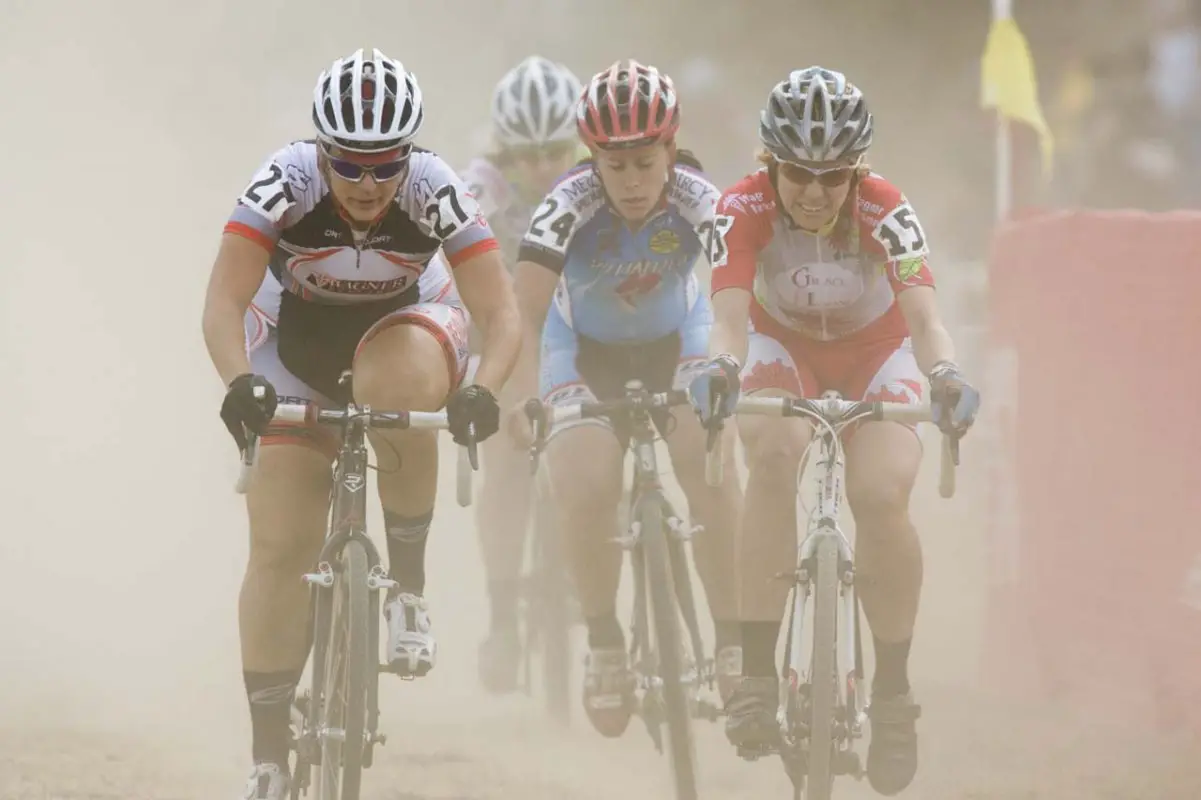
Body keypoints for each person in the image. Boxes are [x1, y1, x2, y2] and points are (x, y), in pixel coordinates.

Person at [201, 48, 522, 800]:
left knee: (397, 380)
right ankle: (270, 756)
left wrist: (485, 388)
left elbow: (499, 310)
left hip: (405, 331)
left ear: (409, 155)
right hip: (293, 343)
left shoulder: (435, 190)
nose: (370, 183)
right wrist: (240, 384)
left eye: (387, 165)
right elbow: (221, 304)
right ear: (322, 152)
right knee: (280, 546)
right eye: (351, 166)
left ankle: (406, 589)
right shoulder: (283, 182)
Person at [687, 67, 980, 795]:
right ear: (769, 164)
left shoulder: (887, 209)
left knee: (880, 493)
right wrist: (722, 368)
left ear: (858, 171)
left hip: (874, 354)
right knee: (774, 450)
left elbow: (924, 321)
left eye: (833, 176)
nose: (814, 192)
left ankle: (892, 696)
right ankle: (756, 672)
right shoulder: (739, 205)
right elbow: (726, 320)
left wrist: (944, 375)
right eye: (797, 173)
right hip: (777, 349)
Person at [507, 59, 743, 738]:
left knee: (709, 464)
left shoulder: (701, 199)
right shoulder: (565, 204)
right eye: (616, 167)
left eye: (646, 162)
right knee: (584, 482)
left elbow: (733, 296)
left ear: (670, 149)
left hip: (681, 340)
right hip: (581, 350)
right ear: (593, 161)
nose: (634, 181)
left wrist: (729, 368)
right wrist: (521, 397)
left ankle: (731, 639)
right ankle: (606, 642)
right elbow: (521, 314)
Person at [466, 55, 589, 694]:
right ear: (502, 151)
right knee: (509, 459)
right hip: (510, 326)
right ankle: (502, 616)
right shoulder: (483, 188)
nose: (542, 168)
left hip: (581, 326)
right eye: (527, 154)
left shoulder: (599, 180)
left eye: (556, 151)